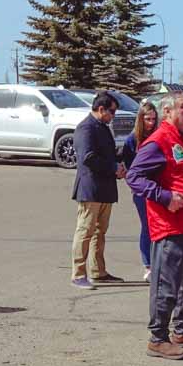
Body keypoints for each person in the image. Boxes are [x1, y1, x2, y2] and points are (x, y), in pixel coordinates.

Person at [128, 91, 183, 360]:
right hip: (171, 229)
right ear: (167, 112)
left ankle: (182, 331)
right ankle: (158, 338)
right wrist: (165, 197)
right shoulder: (158, 141)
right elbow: (134, 177)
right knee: (166, 288)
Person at [71, 91, 123, 287]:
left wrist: (120, 165)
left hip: (105, 189)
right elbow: (88, 157)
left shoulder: (102, 127)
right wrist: (113, 167)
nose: (113, 116)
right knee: (85, 231)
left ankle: (97, 271)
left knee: (100, 232)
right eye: (112, 112)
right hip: (90, 189)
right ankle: (78, 274)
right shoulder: (86, 128)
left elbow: (108, 154)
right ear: (101, 109)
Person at [117, 98, 162, 280]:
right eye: (147, 119)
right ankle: (148, 265)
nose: (151, 123)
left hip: (158, 188)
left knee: (160, 227)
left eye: (153, 119)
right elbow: (129, 168)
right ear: (141, 119)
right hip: (141, 191)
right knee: (147, 226)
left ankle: (160, 264)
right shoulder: (132, 140)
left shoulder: (158, 136)